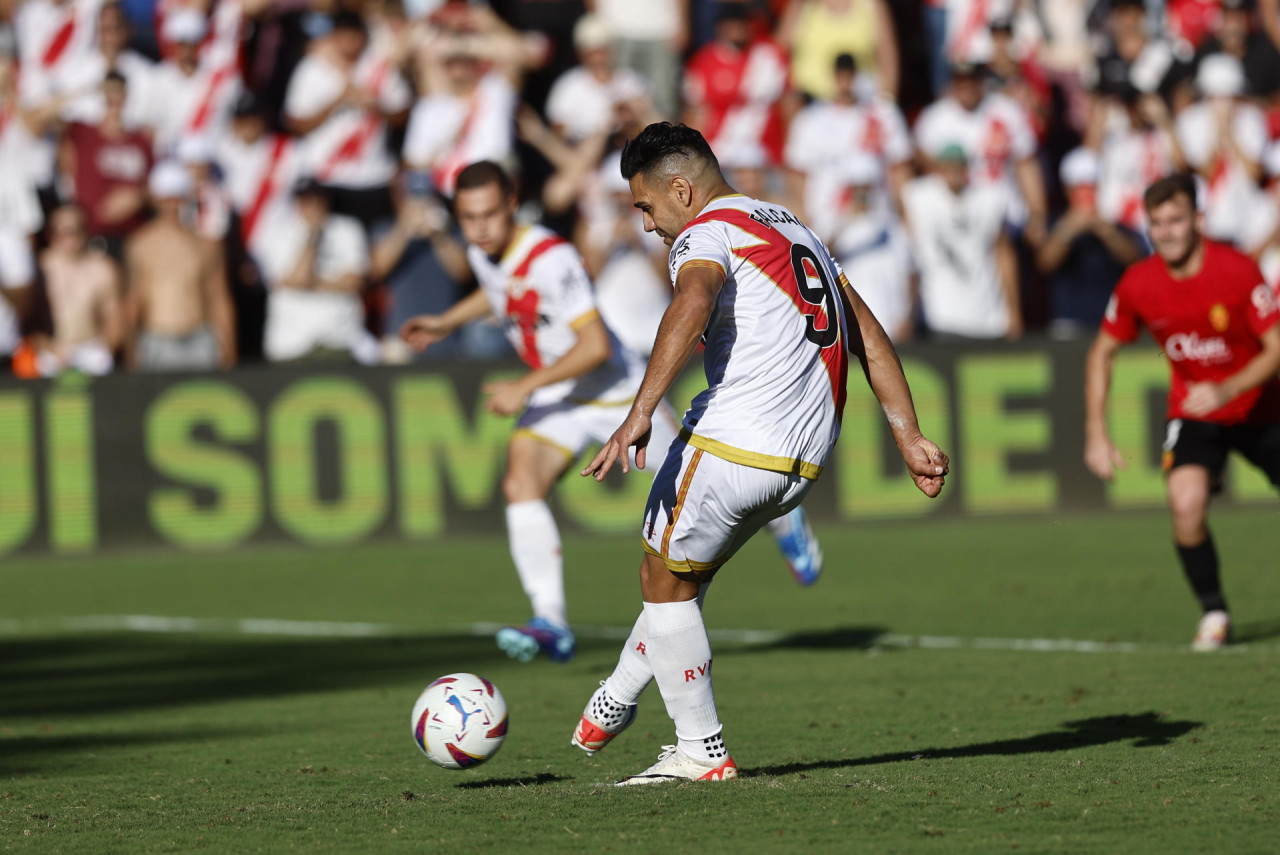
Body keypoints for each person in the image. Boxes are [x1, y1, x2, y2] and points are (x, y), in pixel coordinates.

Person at [571, 123, 948, 784]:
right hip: (803, 458)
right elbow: (863, 326)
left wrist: (637, 412)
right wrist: (907, 430)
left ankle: (701, 750)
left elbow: (693, 297)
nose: (647, 221)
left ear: (682, 189)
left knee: (660, 580)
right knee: (683, 577)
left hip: (738, 436)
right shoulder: (794, 226)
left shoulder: (704, 231)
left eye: (646, 205)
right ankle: (616, 697)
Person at [399, 160, 676, 664]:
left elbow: (593, 345)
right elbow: (498, 290)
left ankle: (780, 524)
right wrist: (445, 321)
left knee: (702, 486)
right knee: (520, 483)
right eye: (467, 217)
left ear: (511, 205)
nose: (478, 228)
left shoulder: (553, 258)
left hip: (618, 394)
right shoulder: (486, 250)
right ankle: (550, 620)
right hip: (560, 397)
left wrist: (525, 386)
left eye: (488, 215)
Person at [1084, 173, 1280, 651]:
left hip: (1263, 408)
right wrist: (1096, 433)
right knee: (1185, 505)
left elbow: (1276, 347)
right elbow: (1101, 353)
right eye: (1157, 223)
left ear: (1198, 220)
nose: (1167, 232)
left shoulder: (1237, 270)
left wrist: (1228, 386)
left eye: (1176, 220)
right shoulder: (1138, 283)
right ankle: (1214, 612)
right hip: (1196, 412)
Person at [902, 143, 1021, 339]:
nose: (953, 172)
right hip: (940, 314)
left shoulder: (988, 199)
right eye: (947, 166)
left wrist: (1013, 311)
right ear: (938, 169)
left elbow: (1004, 257)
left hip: (988, 316)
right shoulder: (918, 197)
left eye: (958, 166)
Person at [125, 161, 235, 371]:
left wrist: (229, 352)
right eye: (166, 197)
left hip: (199, 339)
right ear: (155, 199)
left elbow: (219, 298)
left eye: (176, 197)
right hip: (157, 339)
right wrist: (131, 355)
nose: (172, 204)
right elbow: (134, 301)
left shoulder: (206, 243)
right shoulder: (140, 244)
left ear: (186, 197)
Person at [1038, 147, 1143, 337]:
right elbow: (1045, 263)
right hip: (1069, 323)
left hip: (1111, 321)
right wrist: (1069, 229)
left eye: (1091, 187)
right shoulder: (1055, 223)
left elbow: (1135, 260)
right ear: (1067, 190)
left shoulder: (1117, 223)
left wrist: (1104, 229)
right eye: (1079, 188)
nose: (1086, 195)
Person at [38, 204, 122, 374]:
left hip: (93, 350)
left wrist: (106, 349)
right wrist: (48, 346)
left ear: (85, 231)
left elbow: (114, 318)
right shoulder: (40, 267)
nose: (69, 239)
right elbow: (27, 318)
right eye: (62, 233)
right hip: (51, 349)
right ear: (51, 234)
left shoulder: (103, 268)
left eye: (75, 231)